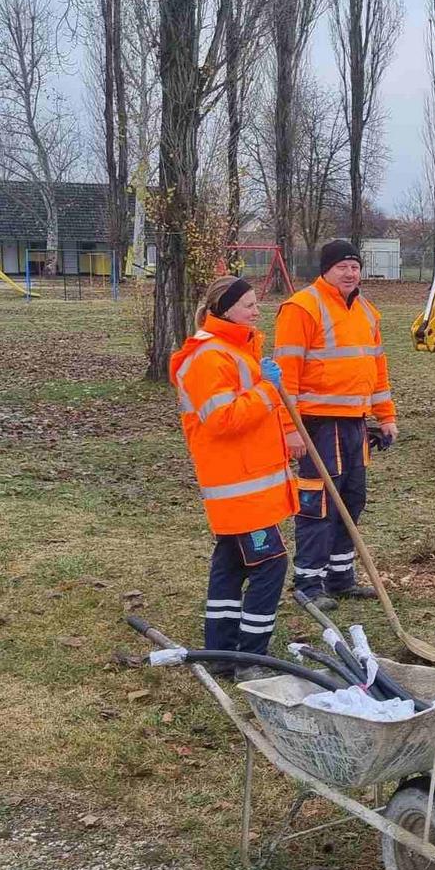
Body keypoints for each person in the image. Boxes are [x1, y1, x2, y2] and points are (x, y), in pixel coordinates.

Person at [170, 275, 298, 678]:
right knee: (271, 564)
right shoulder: (209, 357)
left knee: (231, 565)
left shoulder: (234, 351)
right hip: (238, 489)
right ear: (224, 310)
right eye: (249, 305)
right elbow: (222, 420)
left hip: (247, 484)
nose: (257, 311)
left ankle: (221, 652)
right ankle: (250, 658)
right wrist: (267, 390)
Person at [274, 240, 398, 610]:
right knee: (318, 503)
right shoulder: (301, 308)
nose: (350, 273)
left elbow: (377, 370)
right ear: (325, 270)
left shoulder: (366, 312)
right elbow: (285, 375)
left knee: (351, 499)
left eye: (355, 267)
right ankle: (308, 583)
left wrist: (386, 417)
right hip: (317, 425)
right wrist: (290, 428)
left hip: (354, 425)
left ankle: (340, 577)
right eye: (342, 267)